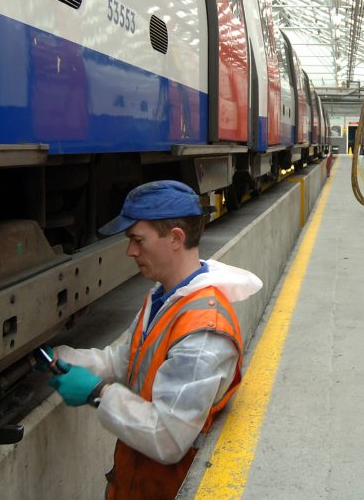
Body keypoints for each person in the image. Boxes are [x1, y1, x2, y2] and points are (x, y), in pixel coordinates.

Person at [43, 180, 262, 500]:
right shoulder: (164, 299)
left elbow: (168, 437)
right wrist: (64, 358)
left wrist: (96, 393)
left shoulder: (203, 334)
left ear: (175, 238)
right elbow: (126, 362)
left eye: (137, 240)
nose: (130, 250)